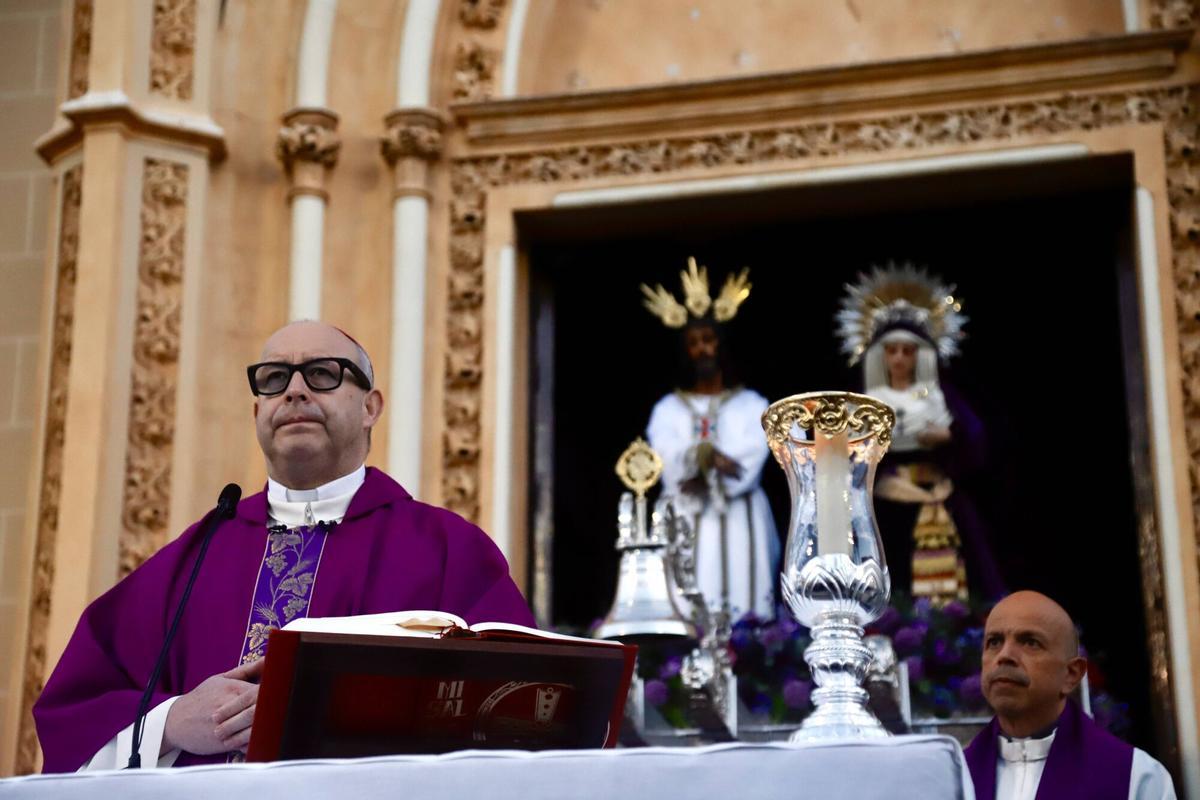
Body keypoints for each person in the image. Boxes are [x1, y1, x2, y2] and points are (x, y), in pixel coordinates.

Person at [33, 321, 535, 772]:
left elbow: (519, 706)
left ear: (370, 407)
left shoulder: (446, 550)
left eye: (322, 373)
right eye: (274, 379)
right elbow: (73, 711)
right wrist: (170, 721)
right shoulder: (195, 557)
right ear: (258, 411)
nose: (295, 390)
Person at [836, 262, 1003, 603]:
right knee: (887, 576)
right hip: (885, 503)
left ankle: (949, 623)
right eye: (891, 350)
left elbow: (976, 441)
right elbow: (842, 457)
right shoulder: (867, 401)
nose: (899, 358)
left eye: (908, 350)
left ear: (919, 355)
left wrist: (949, 437)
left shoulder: (940, 397)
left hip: (939, 496)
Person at [642, 258, 779, 620]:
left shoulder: (752, 404)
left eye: (708, 340)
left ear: (721, 344)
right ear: (685, 351)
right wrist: (701, 457)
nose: (702, 349)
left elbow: (753, 454)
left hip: (740, 514)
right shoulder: (667, 409)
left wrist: (709, 466)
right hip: (685, 513)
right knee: (683, 602)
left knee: (745, 596)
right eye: (693, 343)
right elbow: (664, 456)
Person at [964, 591, 1175, 800]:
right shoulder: (955, 778)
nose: (1004, 655)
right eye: (994, 642)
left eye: (1030, 642)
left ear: (1071, 675)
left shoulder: (1136, 777)